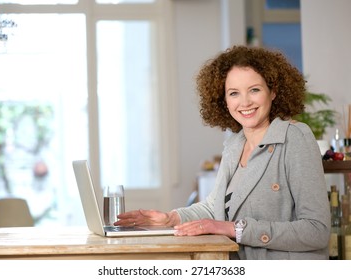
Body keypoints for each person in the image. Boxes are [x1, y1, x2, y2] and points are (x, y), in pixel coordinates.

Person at [115, 45, 331, 260]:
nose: (244, 102)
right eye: (234, 93)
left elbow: (317, 230)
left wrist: (234, 229)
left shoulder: (294, 137)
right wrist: (171, 218)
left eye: (254, 90)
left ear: (273, 91)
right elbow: (214, 208)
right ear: (224, 100)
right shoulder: (234, 146)